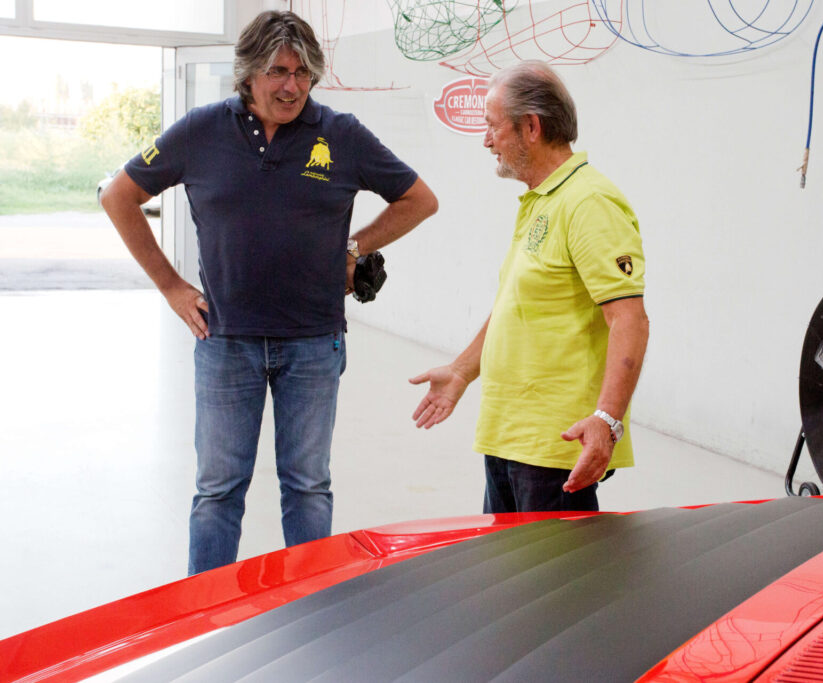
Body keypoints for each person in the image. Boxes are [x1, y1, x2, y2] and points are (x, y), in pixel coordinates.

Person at [102, 10, 437, 574]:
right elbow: (119, 196)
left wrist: (353, 249)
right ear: (249, 73)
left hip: (314, 343)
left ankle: (308, 604)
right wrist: (172, 287)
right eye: (280, 71)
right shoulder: (200, 131)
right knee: (218, 492)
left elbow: (419, 199)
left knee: (308, 487)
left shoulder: (341, 134)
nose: (293, 86)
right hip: (225, 339)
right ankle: (204, 615)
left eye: (304, 73)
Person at [410, 61, 648, 513]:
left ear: (531, 127)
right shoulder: (543, 200)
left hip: (553, 447)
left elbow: (630, 320)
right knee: (507, 578)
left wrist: (606, 421)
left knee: (557, 582)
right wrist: (462, 371)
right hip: (510, 437)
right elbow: (514, 308)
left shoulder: (589, 203)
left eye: (492, 127)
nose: (486, 140)